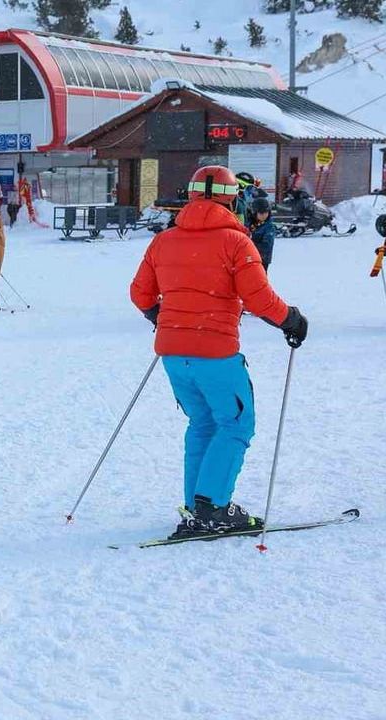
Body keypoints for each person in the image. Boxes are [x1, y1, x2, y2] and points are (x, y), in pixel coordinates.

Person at [129, 165, 309, 538]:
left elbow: (140, 293)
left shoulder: (164, 240)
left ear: (191, 195)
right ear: (232, 198)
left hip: (174, 356)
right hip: (216, 353)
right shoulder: (236, 242)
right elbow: (258, 299)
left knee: (204, 423)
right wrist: (291, 320)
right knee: (236, 423)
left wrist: (166, 319)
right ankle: (214, 508)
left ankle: (198, 506)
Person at [246, 196, 276, 272]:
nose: (264, 215)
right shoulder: (250, 223)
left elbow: (267, 244)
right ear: (255, 212)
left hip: (262, 259)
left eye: (266, 212)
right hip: (248, 258)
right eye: (261, 213)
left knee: (260, 280)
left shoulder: (269, 226)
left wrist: (249, 245)